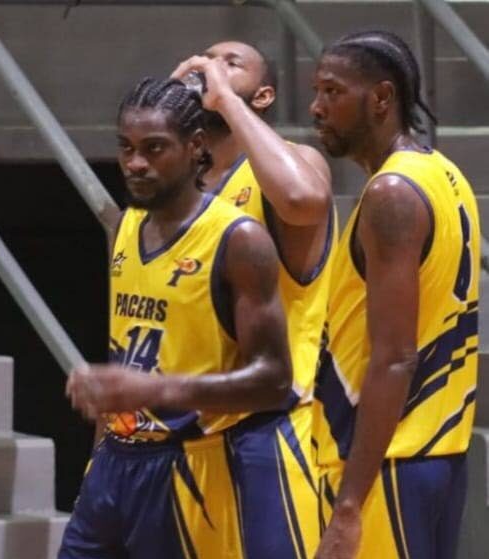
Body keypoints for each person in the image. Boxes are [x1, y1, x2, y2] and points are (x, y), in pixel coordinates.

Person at [59, 76, 293, 558]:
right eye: (126, 148)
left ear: (195, 147)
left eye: (154, 148)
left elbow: (274, 381)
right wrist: (98, 457)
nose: (136, 163)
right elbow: (128, 353)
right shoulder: (127, 226)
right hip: (114, 464)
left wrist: (159, 390)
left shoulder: (239, 239)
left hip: (191, 466)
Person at [309, 30, 478, 559]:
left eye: (333, 92)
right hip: (433, 457)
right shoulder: (443, 174)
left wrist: (349, 505)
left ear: (381, 98)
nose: (316, 108)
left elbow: (395, 357)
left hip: (390, 466)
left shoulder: (391, 195)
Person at [167, 41, 335, 558]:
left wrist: (224, 101)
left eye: (229, 63)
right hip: (187, 433)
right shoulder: (176, 190)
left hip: (272, 429)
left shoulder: (295, 162)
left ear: (262, 95)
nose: (208, 65)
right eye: (202, 57)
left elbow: (304, 201)